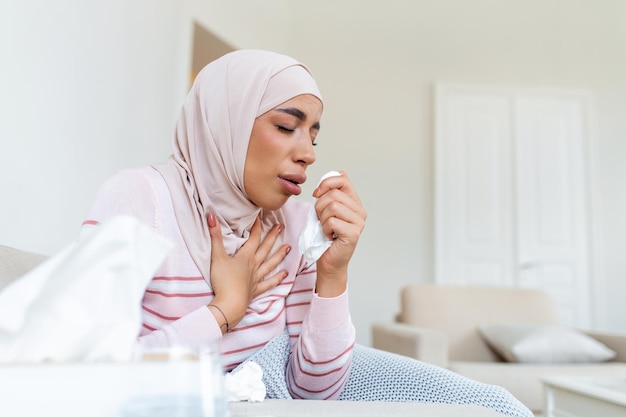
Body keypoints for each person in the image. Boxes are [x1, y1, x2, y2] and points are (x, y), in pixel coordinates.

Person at [81, 49, 532, 417]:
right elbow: (86, 374)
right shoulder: (141, 198)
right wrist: (224, 310)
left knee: (497, 408)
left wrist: (334, 274)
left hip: (279, 398)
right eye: (285, 126)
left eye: (313, 135)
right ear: (226, 123)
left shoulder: (295, 225)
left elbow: (315, 392)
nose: (308, 153)